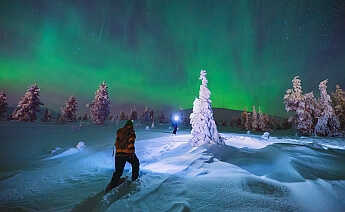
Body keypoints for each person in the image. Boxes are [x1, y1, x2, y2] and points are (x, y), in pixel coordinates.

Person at [105, 120, 140, 192]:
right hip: (127, 153)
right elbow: (131, 143)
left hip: (118, 153)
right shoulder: (131, 132)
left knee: (118, 171)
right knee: (135, 163)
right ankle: (135, 179)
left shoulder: (120, 131)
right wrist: (131, 153)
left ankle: (113, 185)